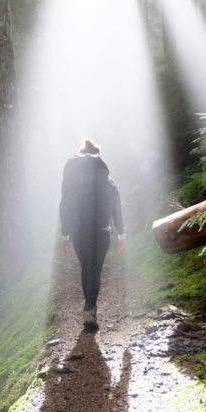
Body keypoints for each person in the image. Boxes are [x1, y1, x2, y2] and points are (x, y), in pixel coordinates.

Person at [59, 138, 126, 331]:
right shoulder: (108, 181)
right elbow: (117, 208)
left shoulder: (73, 182)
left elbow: (65, 203)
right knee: (95, 270)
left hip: (79, 230)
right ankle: (90, 308)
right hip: (102, 230)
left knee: (86, 268)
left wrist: (66, 234)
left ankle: (88, 307)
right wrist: (121, 233)